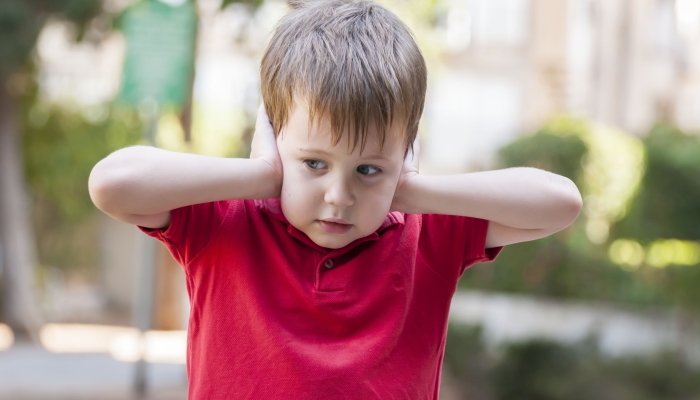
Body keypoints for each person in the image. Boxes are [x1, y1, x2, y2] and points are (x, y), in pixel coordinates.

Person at [88, 0, 582, 398]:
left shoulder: (427, 234)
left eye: (368, 169)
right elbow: (112, 183)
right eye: (314, 164)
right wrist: (262, 176)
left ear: (406, 155)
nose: (339, 196)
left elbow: (561, 202)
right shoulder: (225, 223)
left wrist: (407, 191)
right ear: (275, 138)